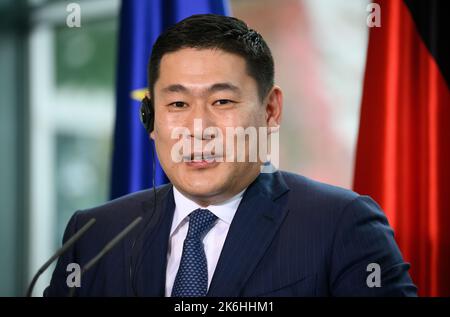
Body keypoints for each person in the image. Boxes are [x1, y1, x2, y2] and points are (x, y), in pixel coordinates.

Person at [45, 14, 417, 297]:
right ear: (150, 118)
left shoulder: (340, 225)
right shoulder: (94, 235)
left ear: (270, 110)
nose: (198, 127)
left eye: (222, 101)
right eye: (177, 103)